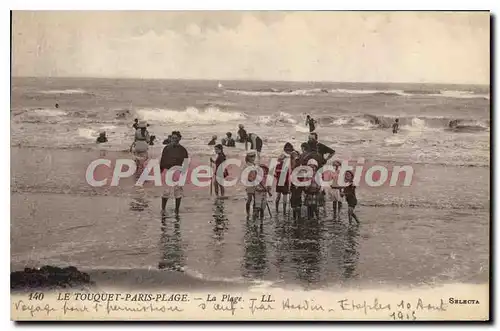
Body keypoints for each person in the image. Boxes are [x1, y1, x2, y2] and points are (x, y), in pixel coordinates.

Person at [160, 131, 189, 216]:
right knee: (166, 192)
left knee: (177, 192)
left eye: (176, 138)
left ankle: (177, 210)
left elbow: (186, 162)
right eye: (173, 138)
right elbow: (162, 159)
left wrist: (183, 174)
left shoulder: (183, 150)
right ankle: (163, 209)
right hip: (167, 171)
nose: (174, 140)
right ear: (170, 138)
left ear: (179, 139)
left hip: (177, 171)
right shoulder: (166, 148)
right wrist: (160, 170)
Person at [244, 151, 257, 216]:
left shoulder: (254, 164)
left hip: (255, 183)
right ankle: (248, 212)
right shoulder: (247, 165)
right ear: (248, 157)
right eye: (251, 157)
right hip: (249, 184)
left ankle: (254, 211)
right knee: (249, 199)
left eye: (254, 156)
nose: (253, 158)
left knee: (255, 198)